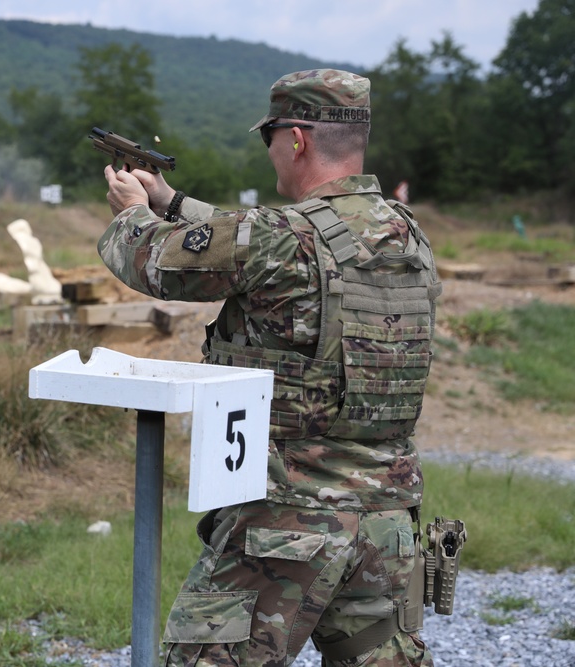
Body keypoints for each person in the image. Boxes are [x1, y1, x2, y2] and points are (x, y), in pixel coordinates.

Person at [97, 70, 442, 666]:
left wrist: (133, 212)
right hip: (388, 521)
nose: (272, 151)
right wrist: (172, 201)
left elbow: (150, 262)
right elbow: (254, 238)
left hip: (289, 519)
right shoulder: (406, 235)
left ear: (298, 139)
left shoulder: (280, 237)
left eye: (271, 138)